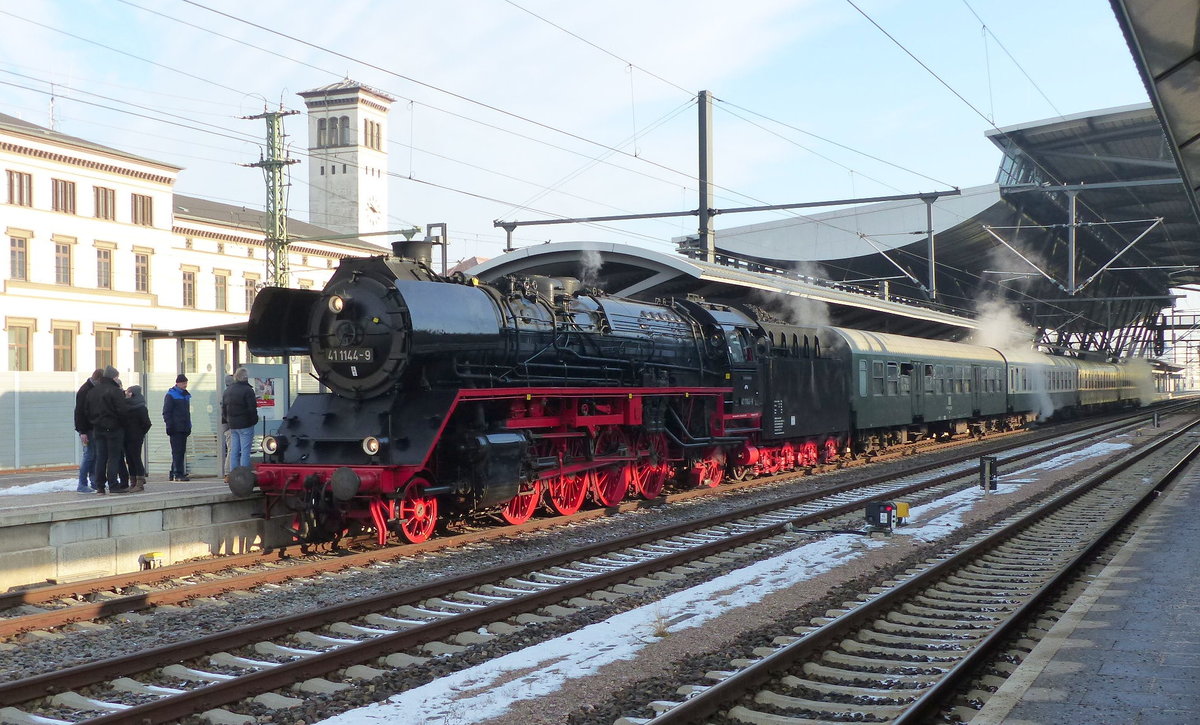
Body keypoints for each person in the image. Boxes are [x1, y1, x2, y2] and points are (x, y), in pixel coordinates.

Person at [86, 366, 128, 494]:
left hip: (98, 429)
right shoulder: (115, 391)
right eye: (116, 376)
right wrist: (122, 425)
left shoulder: (93, 391)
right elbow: (122, 411)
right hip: (114, 429)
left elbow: (86, 410)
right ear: (113, 377)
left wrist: (94, 423)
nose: (117, 379)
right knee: (113, 458)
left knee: (101, 457)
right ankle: (113, 485)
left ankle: (100, 486)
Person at [222, 367, 259, 471]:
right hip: (246, 425)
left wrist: (228, 420)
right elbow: (252, 409)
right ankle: (244, 474)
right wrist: (254, 421)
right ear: (246, 378)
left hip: (233, 425)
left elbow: (224, 409)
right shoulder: (248, 390)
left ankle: (233, 473)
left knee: (234, 450)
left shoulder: (228, 390)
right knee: (245, 451)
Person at [73, 369, 103, 494]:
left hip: (91, 428)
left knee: (94, 456)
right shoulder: (85, 390)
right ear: (98, 380)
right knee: (89, 455)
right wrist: (82, 431)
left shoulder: (90, 389)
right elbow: (79, 412)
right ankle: (82, 484)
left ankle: (94, 482)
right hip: (87, 429)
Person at [122, 384, 152, 493]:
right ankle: (133, 481)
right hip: (126, 437)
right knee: (129, 459)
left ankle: (139, 482)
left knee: (136, 458)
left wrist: (140, 433)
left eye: (129, 392)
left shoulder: (141, 407)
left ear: (133, 393)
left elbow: (147, 423)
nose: (126, 394)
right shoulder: (125, 406)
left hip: (135, 437)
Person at [163, 374, 192, 481]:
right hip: (176, 428)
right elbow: (167, 412)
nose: (185, 385)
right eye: (183, 383)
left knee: (180, 451)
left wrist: (189, 426)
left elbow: (187, 413)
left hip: (183, 427)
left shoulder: (184, 395)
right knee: (177, 451)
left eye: (186, 383)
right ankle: (178, 474)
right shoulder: (171, 395)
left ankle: (173, 472)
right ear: (178, 383)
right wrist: (169, 426)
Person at [220, 374, 235, 474]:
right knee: (231, 449)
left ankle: (229, 471)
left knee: (231, 448)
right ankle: (228, 472)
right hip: (230, 426)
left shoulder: (226, 393)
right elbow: (227, 412)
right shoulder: (229, 394)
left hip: (227, 425)